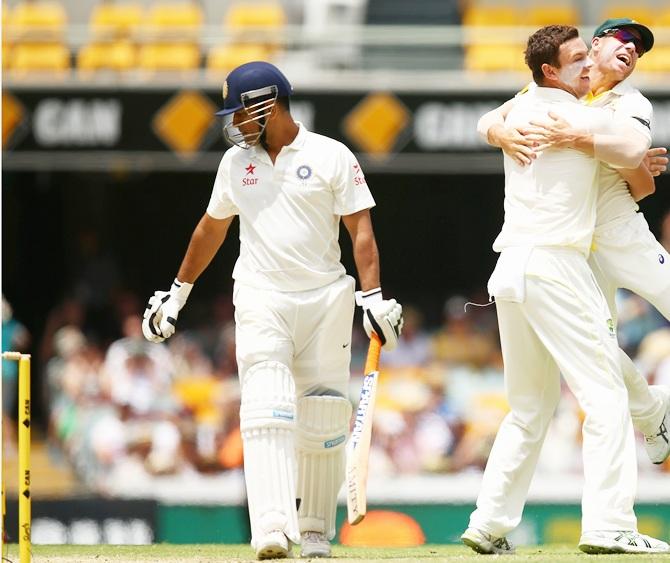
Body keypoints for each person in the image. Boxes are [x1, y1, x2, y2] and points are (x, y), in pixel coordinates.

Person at [141, 61, 403, 560]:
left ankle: (313, 532)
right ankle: (271, 528)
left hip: (326, 298)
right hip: (261, 295)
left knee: (324, 414)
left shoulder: (331, 155)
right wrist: (177, 293)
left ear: (267, 104)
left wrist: (372, 296)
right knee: (266, 403)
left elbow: (360, 229)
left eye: (238, 112)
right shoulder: (236, 164)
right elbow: (211, 228)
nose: (234, 123)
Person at [460, 25, 670, 555]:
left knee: (529, 408)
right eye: (579, 57)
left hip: (512, 267)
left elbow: (490, 118)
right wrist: (586, 137)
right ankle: (607, 525)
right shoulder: (578, 109)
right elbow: (634, 144)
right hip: (558, 263)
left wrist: (499, 130)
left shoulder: (530, 103)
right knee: (604, 399)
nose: (588, 66)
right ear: (557, 68)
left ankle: (487, 524)